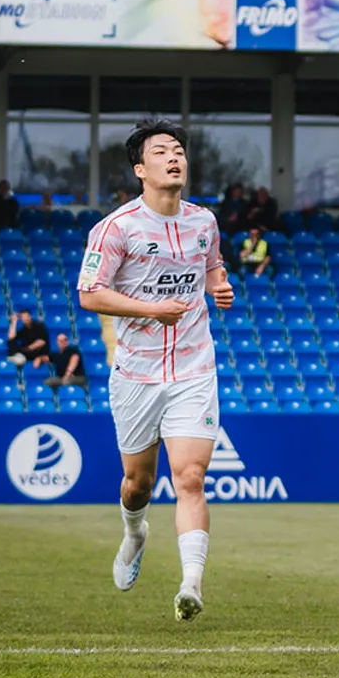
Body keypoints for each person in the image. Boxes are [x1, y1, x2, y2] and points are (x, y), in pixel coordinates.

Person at [78, 118, 232, 621]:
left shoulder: (203, 222)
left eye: (180, 150)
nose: (175, 157)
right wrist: (152, 310)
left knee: (190, 476)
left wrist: (219, 287)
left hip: (193, 367)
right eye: (162, 151)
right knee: (137, 483)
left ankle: (191, 583)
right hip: (137, 374)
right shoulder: (116, 228)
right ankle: (134, 532)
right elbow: (89, 294)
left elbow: (212, 266)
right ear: (141, 168)